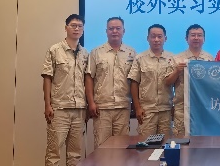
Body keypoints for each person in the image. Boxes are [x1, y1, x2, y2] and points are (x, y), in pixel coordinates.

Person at [41, 14, 88, 166]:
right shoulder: (54, 50)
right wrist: (48, 105)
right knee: (53, 153)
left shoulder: (85, 54)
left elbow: (87, 82)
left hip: (79, 110)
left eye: (80, 26)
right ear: (66, 28)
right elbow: (47, 78)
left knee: (75, 155)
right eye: (73, 25)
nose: (76, 29)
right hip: (59, 109)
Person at [85, 16, 136, 148]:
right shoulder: (96, 53)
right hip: (102, 108)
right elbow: (89, 78)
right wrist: (91, 102)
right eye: (111, 28)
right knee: (102, 147)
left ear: (123, 31)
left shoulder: (131, 53)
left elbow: (135, 81)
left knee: (122, 147)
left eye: (118, 28)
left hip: (123, 107)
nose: (114, 31)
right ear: (106, 31)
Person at [164, 24, 214, 137]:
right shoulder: (177, 59)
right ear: (186, 38)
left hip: (203, 108)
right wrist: (177, 71)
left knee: (203, 141)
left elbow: (213, 85)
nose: (196, 38)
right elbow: (167, 82)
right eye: (193, 35)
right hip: (183, 109)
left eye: (199, 35)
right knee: (182, 140)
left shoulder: (210, 59)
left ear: (204, 39)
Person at [128, 24, 175, 136]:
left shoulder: (172, 58)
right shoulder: (140, 58)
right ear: (148, 38)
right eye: (153, 36)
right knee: (146, 144)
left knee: (165, 143)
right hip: (146, 110)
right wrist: (137, 108)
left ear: (165, 38)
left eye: (160, 36)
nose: (156, 40)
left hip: (166, 110)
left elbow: (176, 84)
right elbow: (134, 83)